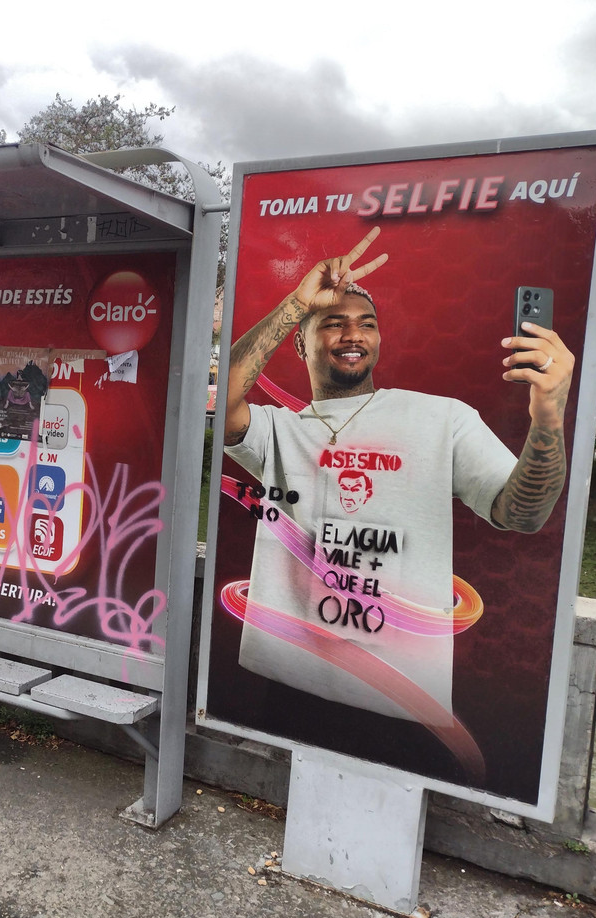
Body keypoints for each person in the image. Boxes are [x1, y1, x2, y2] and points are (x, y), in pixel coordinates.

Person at [223, 226, 573, 720]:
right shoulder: (277, 430)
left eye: (366, 323)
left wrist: (549, 415)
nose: (353, 334)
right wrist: (298, 303)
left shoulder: (442, 418)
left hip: (399, 700)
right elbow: (216, 397)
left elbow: (524, 513)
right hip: (285, 679)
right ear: (300, 345)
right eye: (332, 323)